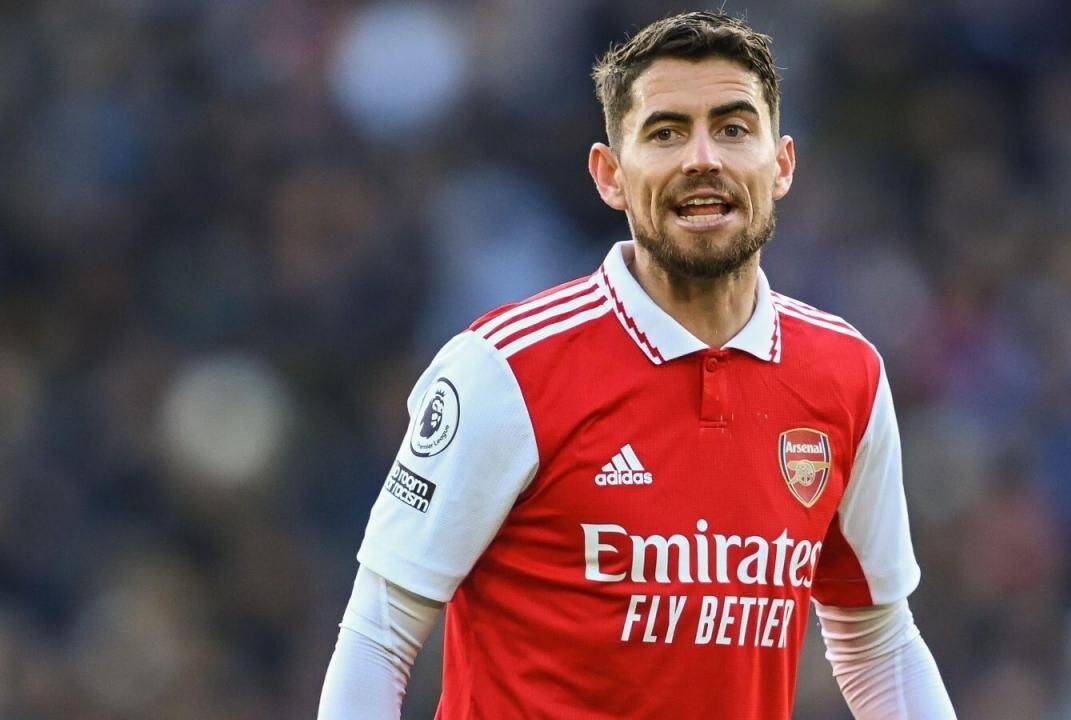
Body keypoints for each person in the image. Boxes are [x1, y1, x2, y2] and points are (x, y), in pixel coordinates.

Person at [318, 11, 956, 719]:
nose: (702, 159)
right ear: (611, 176)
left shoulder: (845, 375)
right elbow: (378, 634)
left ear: (781, 165)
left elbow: (879, 643)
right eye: (666, 133)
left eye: (733, 128)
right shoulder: (504, 371)